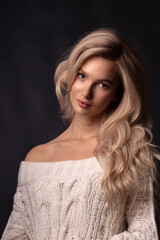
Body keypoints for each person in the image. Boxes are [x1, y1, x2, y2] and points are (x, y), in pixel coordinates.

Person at [2, 28, 160, 240]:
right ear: (71, 75)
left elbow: (145, 234)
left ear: (116, 94)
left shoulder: (129, 152)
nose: (86, 92)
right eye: (82, 76)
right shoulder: (36, 158)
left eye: (103, 84)